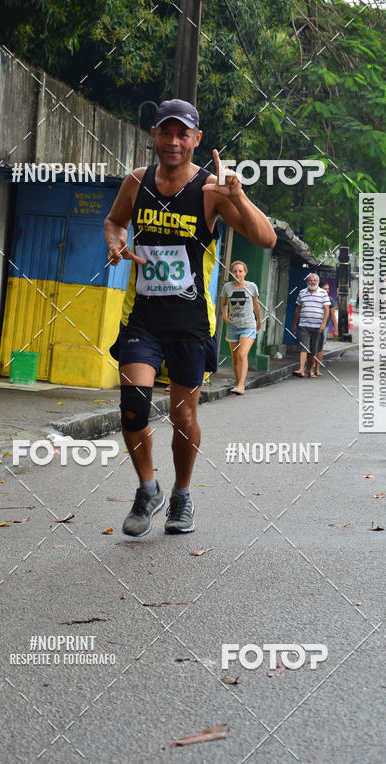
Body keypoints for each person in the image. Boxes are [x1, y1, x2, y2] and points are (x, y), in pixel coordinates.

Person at [105, 99, 276, 537]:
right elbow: (114, 221)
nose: (174, 141)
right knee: (133, 408)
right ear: (154, 135)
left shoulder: (209, 191)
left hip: (191, 325)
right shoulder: (136, 182)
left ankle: (181, 494)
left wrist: (237, 194)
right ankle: (147, 489)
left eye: (184, 134)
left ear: (197, 140)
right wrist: (116, 242)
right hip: (141, 318)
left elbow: (266, 237)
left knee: (182, 418)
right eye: (166, 132)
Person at [220, 260, 262, 395]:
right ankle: (239, 383)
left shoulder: (251, 286)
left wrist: (259, 320)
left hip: (248, 326)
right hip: (233, 327)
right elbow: (224, 304)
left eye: (240, 271)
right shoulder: (227, 287)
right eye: (235, 271)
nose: (238, 273)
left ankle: (240, 386)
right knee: (234, 357)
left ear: (245, 272)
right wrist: (225, 317)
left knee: (242, 354)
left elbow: (256, 305)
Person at [290, 273, 330, 378]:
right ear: (307, 282)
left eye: (314, 281)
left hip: (318, 326)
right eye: (310, 281)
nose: (312, 282)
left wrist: (324, 324)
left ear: (317, 282)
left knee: (313, 350)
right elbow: (297, 309)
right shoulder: (302, 293)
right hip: (304, 325)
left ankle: (310, 369)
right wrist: (294, 324)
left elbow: (326, 310)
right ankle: (301, 369)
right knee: (303, 347)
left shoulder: (323, 293)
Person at [313, 280, 337, 376]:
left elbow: (333, 315)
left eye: (328, 289)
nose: (327, 291)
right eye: (325, 289)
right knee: (312, 347)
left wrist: (336, 329)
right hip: (312, 325)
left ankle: (317, 368)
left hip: (324, 327)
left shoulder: (330, 300)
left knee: (320, 348)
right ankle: (310, 368)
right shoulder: (314, 297)